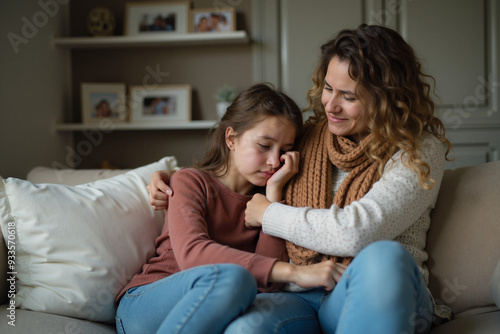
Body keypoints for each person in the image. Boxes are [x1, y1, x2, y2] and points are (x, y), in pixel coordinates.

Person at [147, 24, 453, 334]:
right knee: (246, 329)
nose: (330, 105)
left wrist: (269, 214)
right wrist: (172, 178)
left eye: (348, 96)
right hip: (302, 296)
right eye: (328, 88)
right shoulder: (308, 138)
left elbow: (357, 232)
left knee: (384, 257)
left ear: (386, 98)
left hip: (377, 288)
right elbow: (244, 165)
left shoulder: (418, 150)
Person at [115, 83, 347, 334]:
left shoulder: (264, 203)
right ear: (231, 138)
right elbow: (193, 255)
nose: (273, 160)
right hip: (147, 302)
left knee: (241, 287)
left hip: (208, 312)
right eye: (264, 145)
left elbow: (267, 287)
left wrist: (272, 198)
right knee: (235, 277)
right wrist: (296, 273)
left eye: (285, 151)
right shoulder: (189, 181)